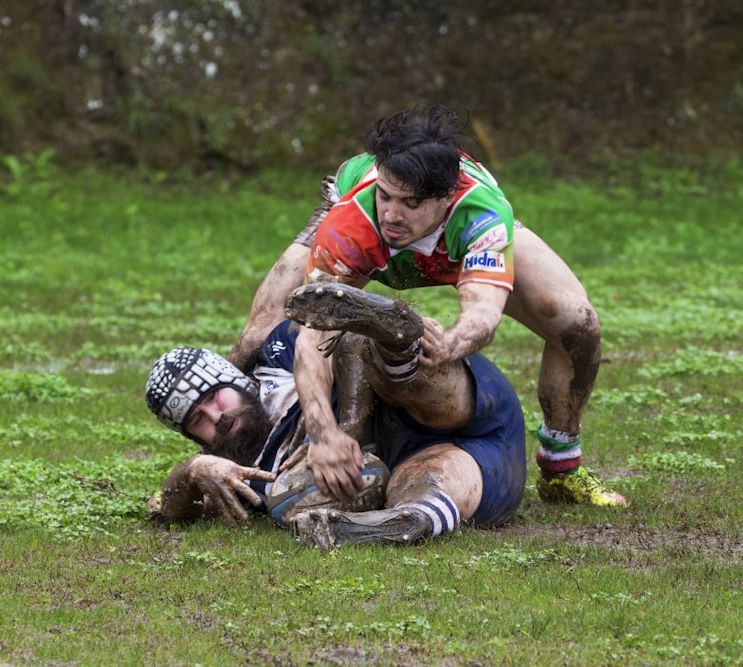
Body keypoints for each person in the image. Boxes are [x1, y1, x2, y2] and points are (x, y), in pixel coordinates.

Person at [228, 103, 626, 508]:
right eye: (386, 196)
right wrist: (324, 433)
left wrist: (451, 343)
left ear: (446, 197)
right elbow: (315, 333)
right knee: (258, 335)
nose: (392, 214)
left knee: (578, 323)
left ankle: (562, 470)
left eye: (411, 203)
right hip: (352, 230)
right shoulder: (354, 221)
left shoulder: (481, 214)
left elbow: (484, 313)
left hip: (451, 245)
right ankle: (225, 464)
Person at [145, 285, 526, 547]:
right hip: (483, 461)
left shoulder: (277, 357)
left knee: (360, 347)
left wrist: (344, 430)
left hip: (458, 396)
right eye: (198, 420)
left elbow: (320, 316)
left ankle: (396, 343)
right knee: (423, 482)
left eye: (214, 396)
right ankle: (401, 523)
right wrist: (193, 470)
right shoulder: (243, 478)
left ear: (237, 377)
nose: (216, 415)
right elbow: (169, 509)